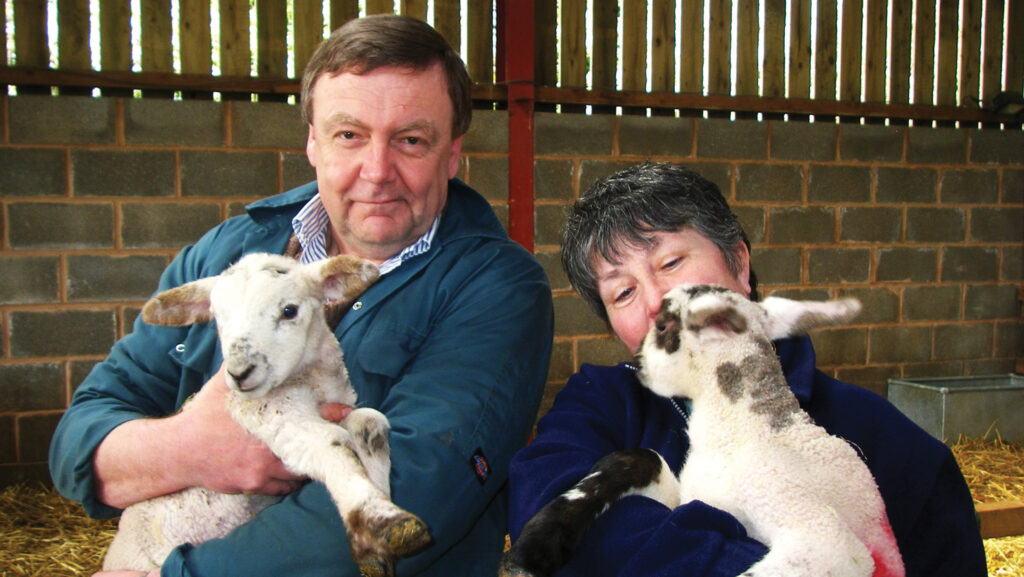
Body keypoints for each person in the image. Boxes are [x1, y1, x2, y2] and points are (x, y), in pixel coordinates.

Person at [49, 14, 553, 577]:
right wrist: (190, 449)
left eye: (411, 140)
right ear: (313, 140)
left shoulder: (497, 288)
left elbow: (413, 502)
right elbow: (79, 442)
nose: (377, 170)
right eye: (349, 135)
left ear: (453, 153)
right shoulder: (228, 255)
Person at [507, 162, 986, 577]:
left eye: (670, 261)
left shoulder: (886, 444)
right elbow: (543, 495)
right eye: (623, 293)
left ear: (739, 263)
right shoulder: (603, 403)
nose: (656, 302)